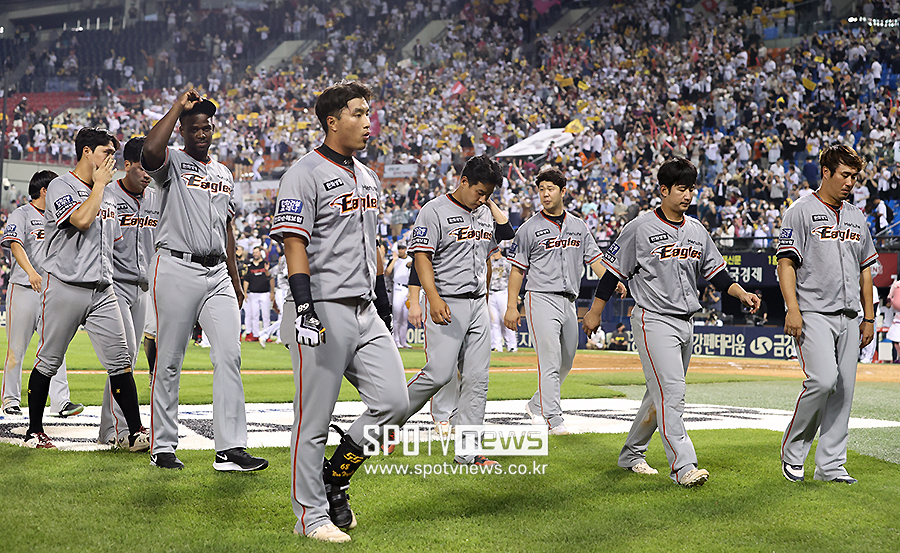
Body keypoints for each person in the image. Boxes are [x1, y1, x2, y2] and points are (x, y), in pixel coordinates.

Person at [270, 81, 409, 543]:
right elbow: (294, 242)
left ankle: (335, 477)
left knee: (394, 402)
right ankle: (310, 516)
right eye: (358, 113)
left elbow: (373, 248)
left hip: (366, 308)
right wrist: (305, 308)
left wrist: (384, 304)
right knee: (312, 418)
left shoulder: (367, 176)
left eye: (369, 113)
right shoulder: (303, 173)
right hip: (323, 307)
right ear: (333, 121)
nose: (368, 121)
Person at [582, 157, 759, 486]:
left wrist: (741, 293)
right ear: (663, 190)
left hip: (686, 322)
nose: (688, 195)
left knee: (658, 395)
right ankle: (684, 468)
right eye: (681, 188)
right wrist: (595, 311)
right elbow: (612, 273)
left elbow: (717, 275)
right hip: (653, 320)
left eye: (692, 188)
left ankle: (631, 453)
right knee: (673, 392)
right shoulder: (639, 227)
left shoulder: (696, 230)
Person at [143, 89, 267, 472]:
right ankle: (162, 445)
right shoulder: (172, 162)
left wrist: (235, 274)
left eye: (207, 125)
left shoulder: (223, 173)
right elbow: (148, 153)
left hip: (217, 274)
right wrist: (177, 107)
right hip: (177, 266)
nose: (203, 131)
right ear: (181, 130)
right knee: (169, 360)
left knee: (229, 354)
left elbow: (227, 229)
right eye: (195, 126)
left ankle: (230, 448)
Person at [24, 127, 150, 450]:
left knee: (121, 361)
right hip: (65, 285)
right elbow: (80, 220)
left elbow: (115, 242)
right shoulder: (60, 185)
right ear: (86, 153)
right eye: (107, 152)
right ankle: (34, 431)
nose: (113, 159)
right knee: (49, 360)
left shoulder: (105, 191)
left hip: (103, 290)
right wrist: (99, 186)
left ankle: (134, 432)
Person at [402, 154, 514, 460]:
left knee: (477, 379)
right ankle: (387, 418)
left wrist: (487, 298)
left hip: (478, 302)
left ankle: (468, 451)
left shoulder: (485, 214)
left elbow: (490, 256)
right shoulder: (434, 211)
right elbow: (422, 257)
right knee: (439, 374)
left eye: (489, 194)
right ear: (463, 181)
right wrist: (433, 297)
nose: (483, 199)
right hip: (447, 302)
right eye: (480, 192)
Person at [778, 144, 877, 485]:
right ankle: (793, 452)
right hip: (814, 312)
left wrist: (869, 317)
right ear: (826, 173)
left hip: (851, 316)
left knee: (844, 391)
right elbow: (786, 263)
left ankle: (831, 466)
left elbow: (866, 269)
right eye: (845, 175)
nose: (851, 182)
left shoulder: (856, 216)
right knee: (822, 381)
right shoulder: (800, 212)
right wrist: (793, 308)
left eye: (854, 177)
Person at [503, 167, 618, 435]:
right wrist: (512, 306)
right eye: (541, 189)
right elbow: (518, 270)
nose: (545, 193)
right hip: (539, 297)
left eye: (550, 188)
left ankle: (535, 404)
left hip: (568, 301)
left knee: (567, 360)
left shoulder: (579, 226)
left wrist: (614, 281)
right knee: (550, 360)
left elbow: (596, 260)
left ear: (563, 191)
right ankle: (553, 418)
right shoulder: (528, 228)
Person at [1, 171, 80, 418]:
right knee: (17, 348)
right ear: (45, 190)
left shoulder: (59, 218)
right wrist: (31, 272)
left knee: (56, 348)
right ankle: (10, 400)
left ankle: (61, 402)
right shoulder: (22, 213)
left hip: (50, 292)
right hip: (24, 288)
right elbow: (14, 244)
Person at [98, 136, 160, 447]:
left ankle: (112, 430)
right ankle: (121, 431)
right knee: (122, 358)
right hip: (115, 285)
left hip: (144, 287)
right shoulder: (108, 195)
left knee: (128, 359)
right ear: (127, 165)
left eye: (152, 167)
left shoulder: (156, 198)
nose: (148, 173)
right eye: (142, 166)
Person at [242, 245, 274, 343]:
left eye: (257, 252)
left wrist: (272, 291)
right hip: (253, 293)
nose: (255, 254)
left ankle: (266, 335)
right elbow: (246, 280)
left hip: (265, 293)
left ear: (260, 253)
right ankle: (255, 335)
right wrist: (245, 292)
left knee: (266, 315)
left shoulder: (265, 264)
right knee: (254, 315)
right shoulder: (250, 266)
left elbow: (270, 277)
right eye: (254, 252)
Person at [489, 248, 518, 353]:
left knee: (506, 319)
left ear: (500, 249)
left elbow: (513, 278)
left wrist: (514, 295)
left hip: (503, 292)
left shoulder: (506, 261)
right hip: (491, 292)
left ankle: (512, 346)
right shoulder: (489, 262)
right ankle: (496, 346)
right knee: (493, 321)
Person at [386, 240, 412, 348]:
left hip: (407, 289)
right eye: (399, 248)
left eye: (403, 248)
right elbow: (387, 273)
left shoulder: (410, 260)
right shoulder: (394, 260)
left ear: (406, 249)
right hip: (397, 287)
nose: (401, 250)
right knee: (396, 317)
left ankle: (403, 341)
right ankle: (396, 341)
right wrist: (394, 259)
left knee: (404, 318)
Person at [258, 255, 287, 346]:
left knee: (283, 316)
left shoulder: (282, 267)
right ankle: (264, 334)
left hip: (286, 291)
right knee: (285, 316)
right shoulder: (280, 268)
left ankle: (279, 337)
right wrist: (266, 270)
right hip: (281, 291)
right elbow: (269, 274)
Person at [887, 278, 900, 363]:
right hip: (897, 319)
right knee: (895, 340)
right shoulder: (896, 284)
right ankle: (897, 358)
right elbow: (889, 300)